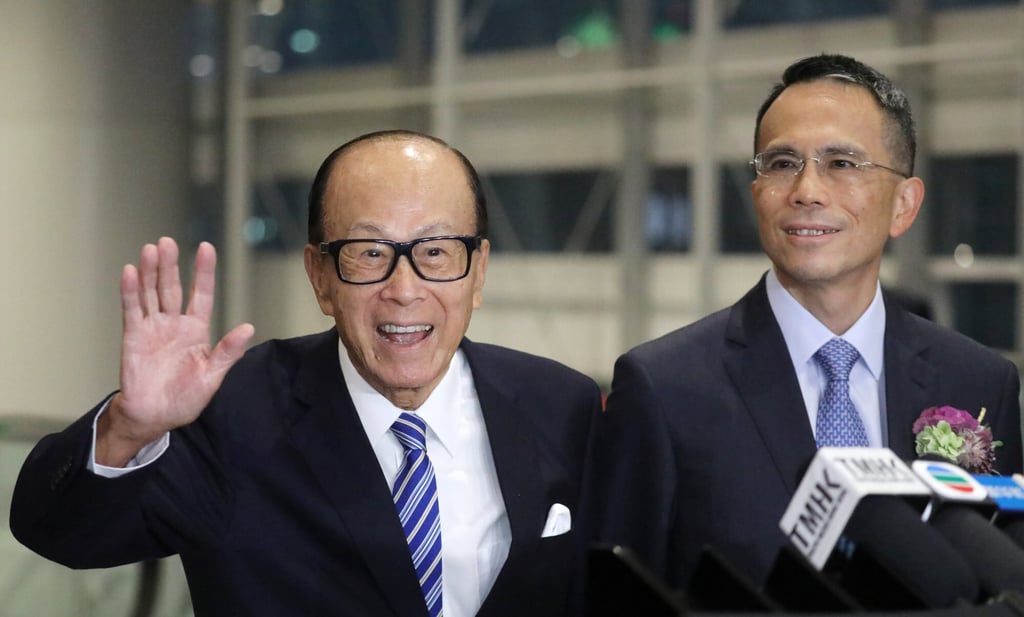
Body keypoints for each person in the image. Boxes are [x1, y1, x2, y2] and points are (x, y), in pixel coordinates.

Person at [10, 130, 602, 617]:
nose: (404, 290)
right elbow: (59, 533)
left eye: (436, 251)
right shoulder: (231, 414)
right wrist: (127, 428)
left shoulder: (561, 405)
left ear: (477, 271)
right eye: (368, 253)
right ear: (320, 276)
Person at [590, 54, 1023, 589]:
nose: (807, 191)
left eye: (841, 163)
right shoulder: (664, 389)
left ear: (904, 206)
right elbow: (616, 595)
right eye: (781, 164)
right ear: (757, 196)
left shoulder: (980, 382)